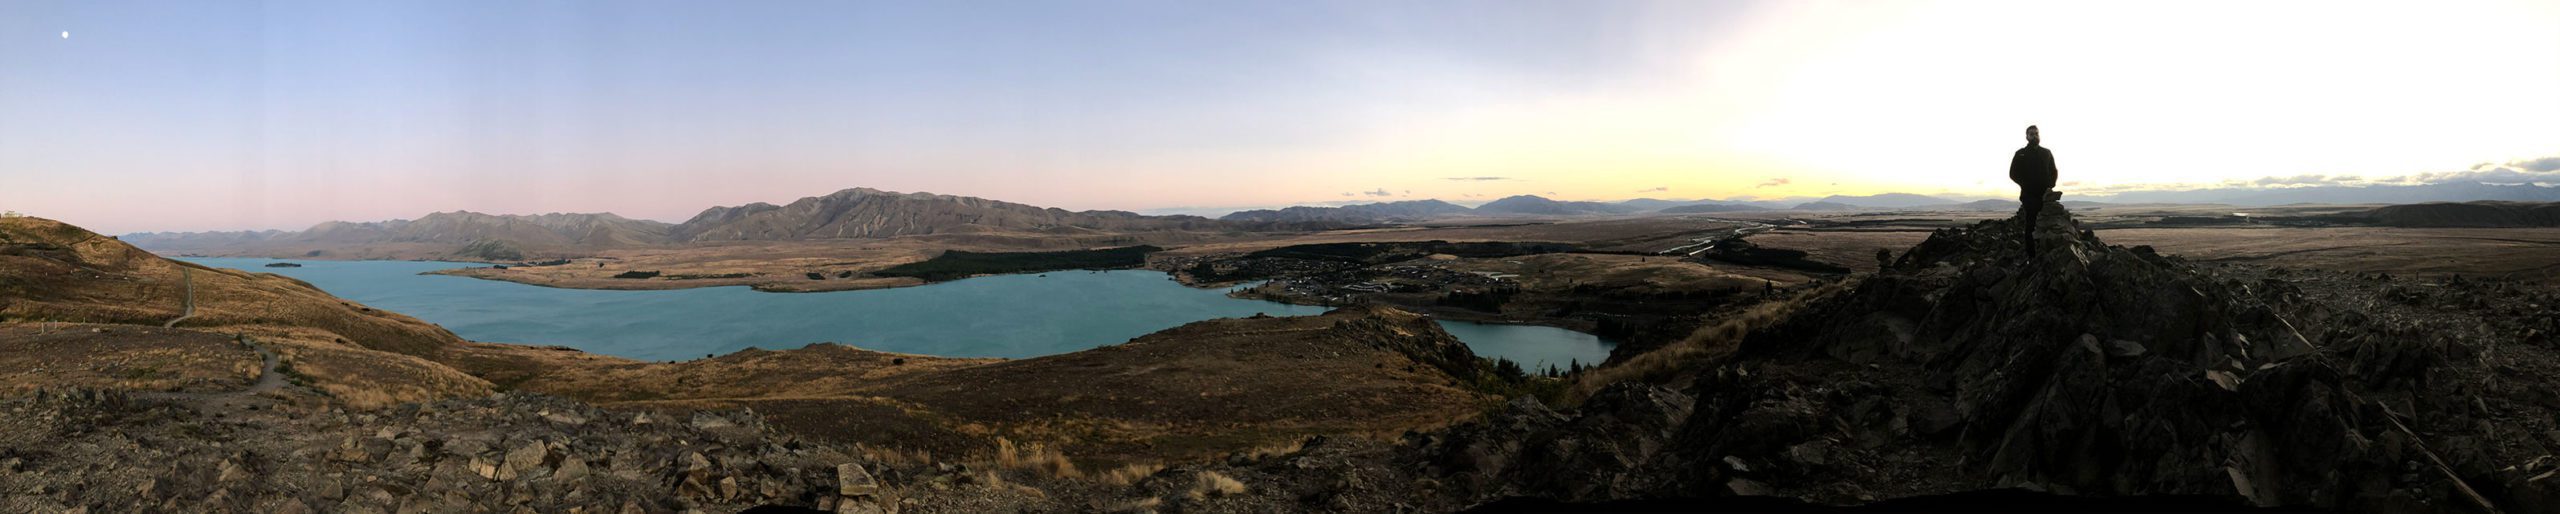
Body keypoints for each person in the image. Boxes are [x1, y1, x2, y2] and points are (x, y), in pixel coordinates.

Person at [2008, 125, 2058, 249]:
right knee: (2030, 225)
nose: (2034, 136)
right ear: (2027, 137)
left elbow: (2054, 171)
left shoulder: (2046, 152)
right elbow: (2013, 174)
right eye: (2031, 134)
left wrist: (2050, 186)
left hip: (2045, 195)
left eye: (2036, 133)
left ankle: (2046, 252)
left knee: (2049, 224)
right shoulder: (2021, 154)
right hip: (2029, 196)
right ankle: (2031, 256)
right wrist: (2025, 185)